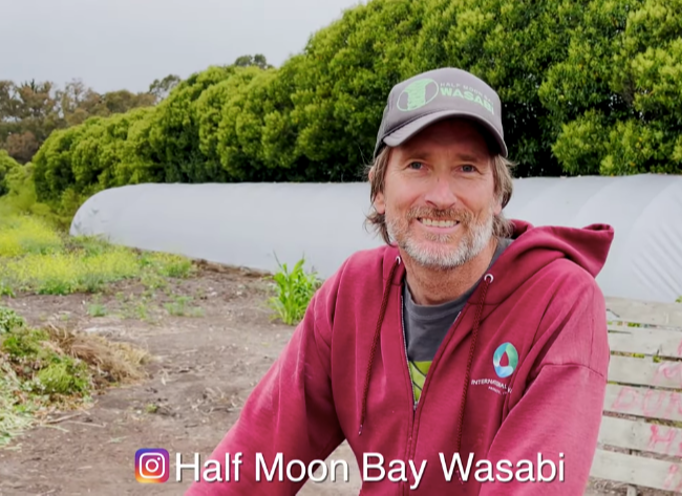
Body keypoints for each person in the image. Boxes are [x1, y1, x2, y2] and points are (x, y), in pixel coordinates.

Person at [184, 67, 614, 495]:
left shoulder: (559, 301)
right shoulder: (353, 293)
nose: (442, 197)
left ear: (498, 194)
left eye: (467, 168)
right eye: (416, 165)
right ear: (379, 190)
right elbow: (258, 452)